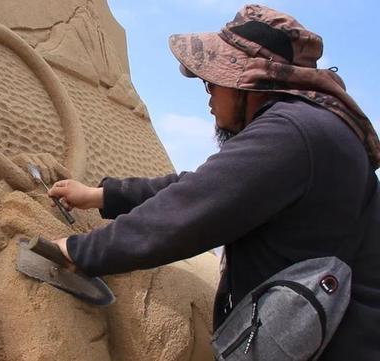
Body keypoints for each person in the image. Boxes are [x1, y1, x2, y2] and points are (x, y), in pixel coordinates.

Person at [48, 4, 380, 360]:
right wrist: (101, 195)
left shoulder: (291, 132)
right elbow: (205, 186)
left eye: (213, 83)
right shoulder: (311, 126)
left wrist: (76, 252)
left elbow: (189, 212)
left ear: (251, 82)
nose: (208, 96)